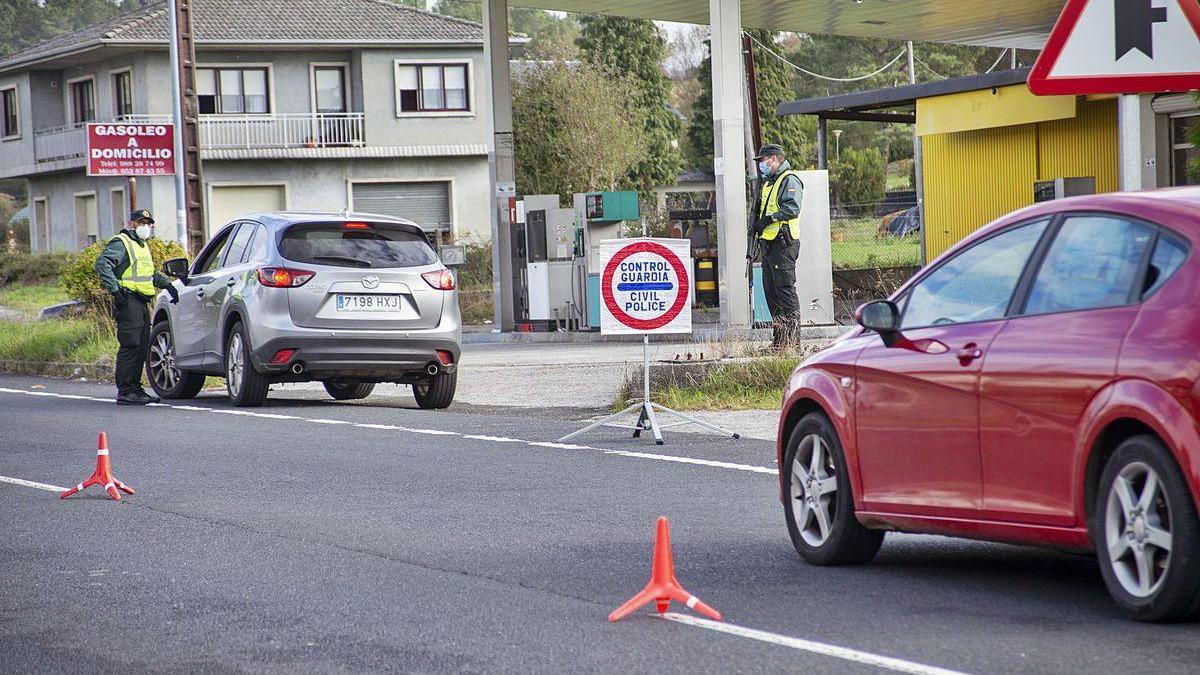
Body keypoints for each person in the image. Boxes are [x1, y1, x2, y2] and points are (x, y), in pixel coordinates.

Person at [94, 209, 179, 405]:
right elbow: (102, 264)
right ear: (131, 223)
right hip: (128, 299)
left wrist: (168, 285)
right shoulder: (121, 242)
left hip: (141, 302)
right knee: (130, 345)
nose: (145, 226)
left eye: (148, 223)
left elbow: (148, 274)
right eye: (141, 222)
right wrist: (115, 290)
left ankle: (135, 388)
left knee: (141, 347)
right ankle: (125, 391)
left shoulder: (142, 246)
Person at [751, 144, 804, 349]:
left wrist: (768, 219)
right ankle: (780, 342)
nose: (761, 165)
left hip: (784, 244)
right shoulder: (768, 183)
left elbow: (792, 208)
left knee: (785, 291)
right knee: (771, 293)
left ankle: (793, 343)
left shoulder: (789, 179)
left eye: (763, 161)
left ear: (774, 159)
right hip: (770, 244)